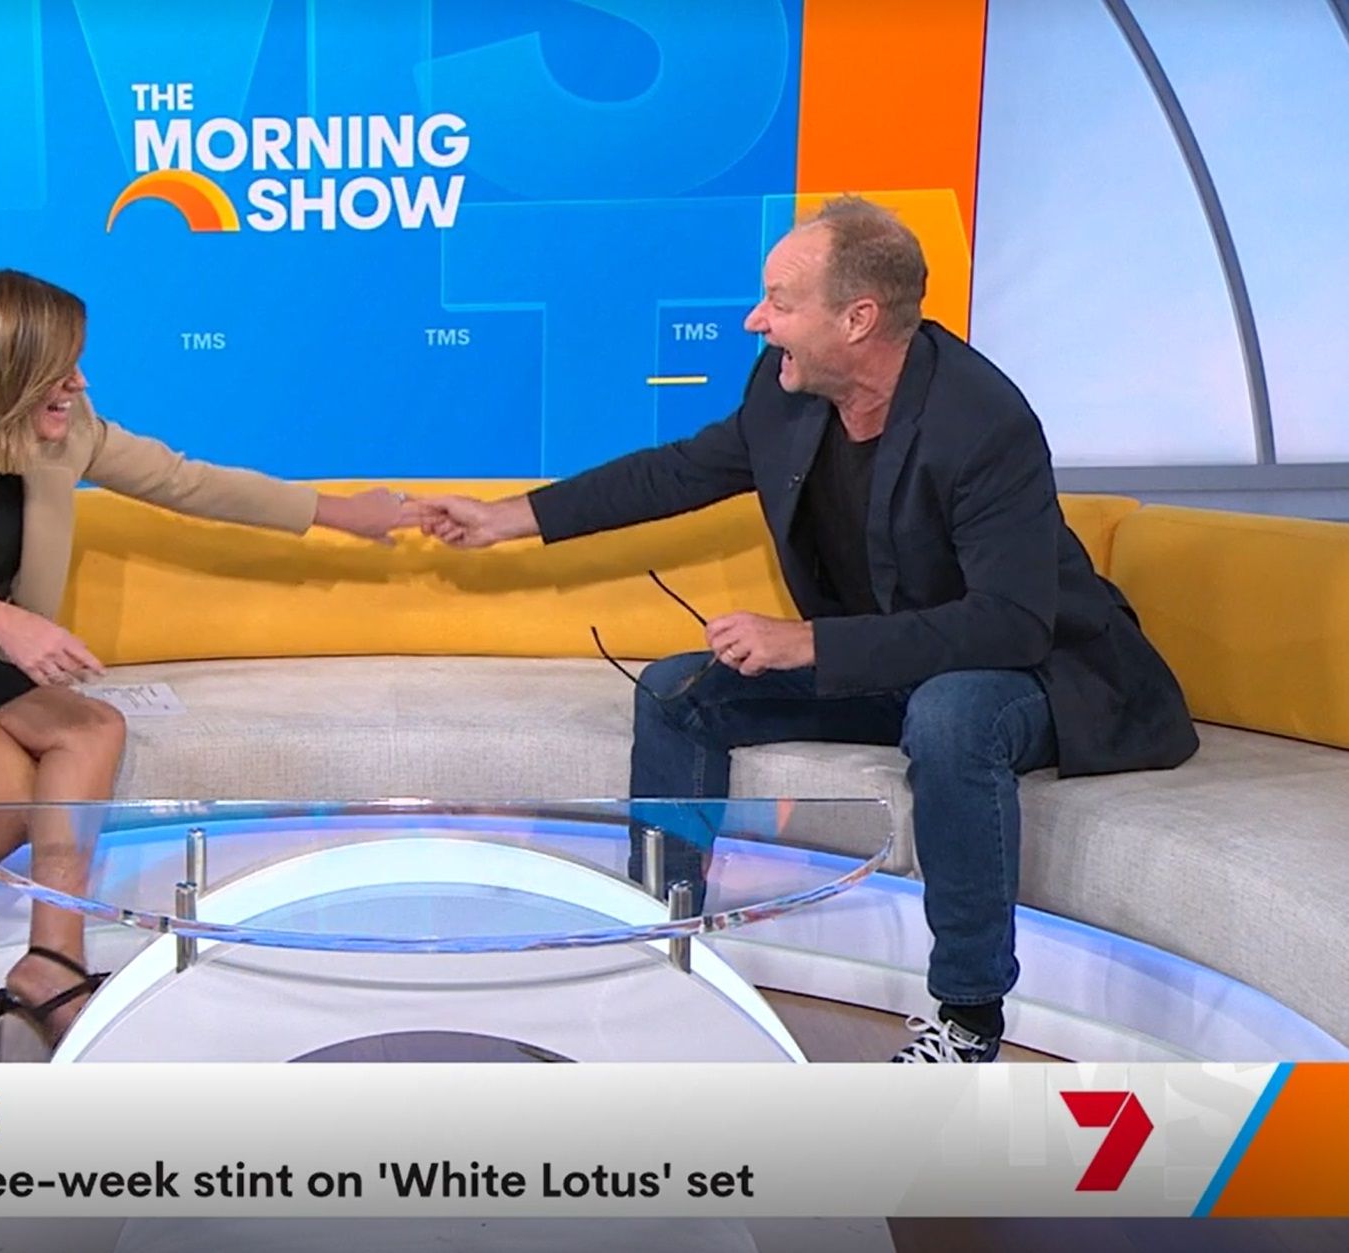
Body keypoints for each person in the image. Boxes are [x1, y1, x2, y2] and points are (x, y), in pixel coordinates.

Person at [412, 197, 1198, 1063]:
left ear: (856, 318)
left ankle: (967, 1019)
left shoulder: (982, 423)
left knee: (950, 715)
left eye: (779, 303)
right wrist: (509, 518)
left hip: (1040, 671)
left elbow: (1008, 624)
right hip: (890, 659)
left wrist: (808, 643)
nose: (755, 321)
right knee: (679, 692)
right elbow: (679, 470)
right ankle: (657, 954)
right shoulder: (785, 389)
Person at [0, 269, 409, 1050]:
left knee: (92, 728)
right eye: (59, 368)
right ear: (2, 371)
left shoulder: (61, 426)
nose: (79, 383)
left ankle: (51, 962)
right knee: (3, 799)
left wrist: (343, 513)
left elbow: (184, 480)